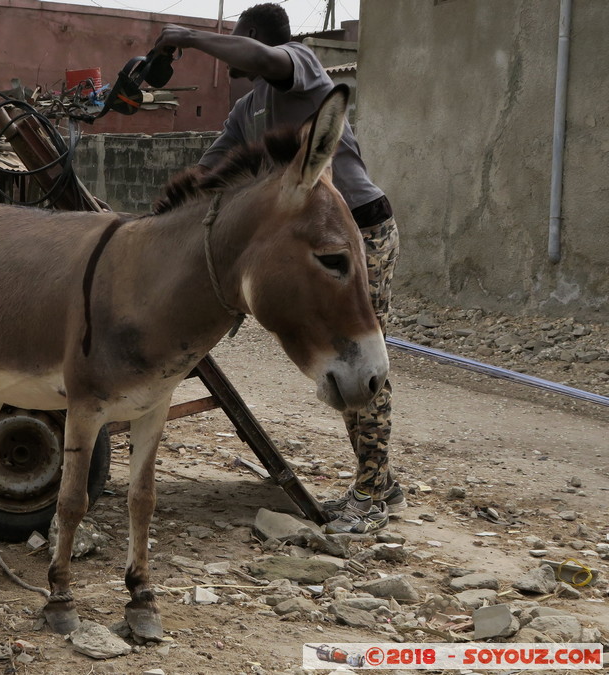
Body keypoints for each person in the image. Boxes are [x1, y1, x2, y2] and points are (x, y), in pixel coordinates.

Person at [155, 3, 402, 535]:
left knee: (357, 353)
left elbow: (263, 57)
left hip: (359, 231)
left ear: (254, 39)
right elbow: (209, 171)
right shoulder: (249, 109)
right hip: (307, 242)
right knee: (338, 360)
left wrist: (189, 37)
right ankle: (378, 478)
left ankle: (372, 493)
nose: (229, 60)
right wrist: (148, 226)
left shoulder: (302, 69)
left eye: (235, 45)